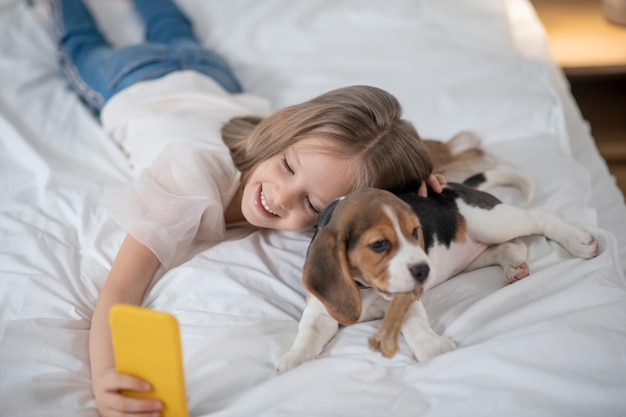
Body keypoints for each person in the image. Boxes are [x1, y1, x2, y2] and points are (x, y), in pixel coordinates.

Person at [50, 0, 464, 416]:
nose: (282, 197)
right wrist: (106, 381)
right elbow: (119, 292)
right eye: (286, 166)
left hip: (209, 76)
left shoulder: (322, 171)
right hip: (132, 80)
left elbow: (375, 187)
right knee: (82, 42)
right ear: (282, 133)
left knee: (171, 26)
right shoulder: (186, 178)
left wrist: (414, 192)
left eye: (311, 203)